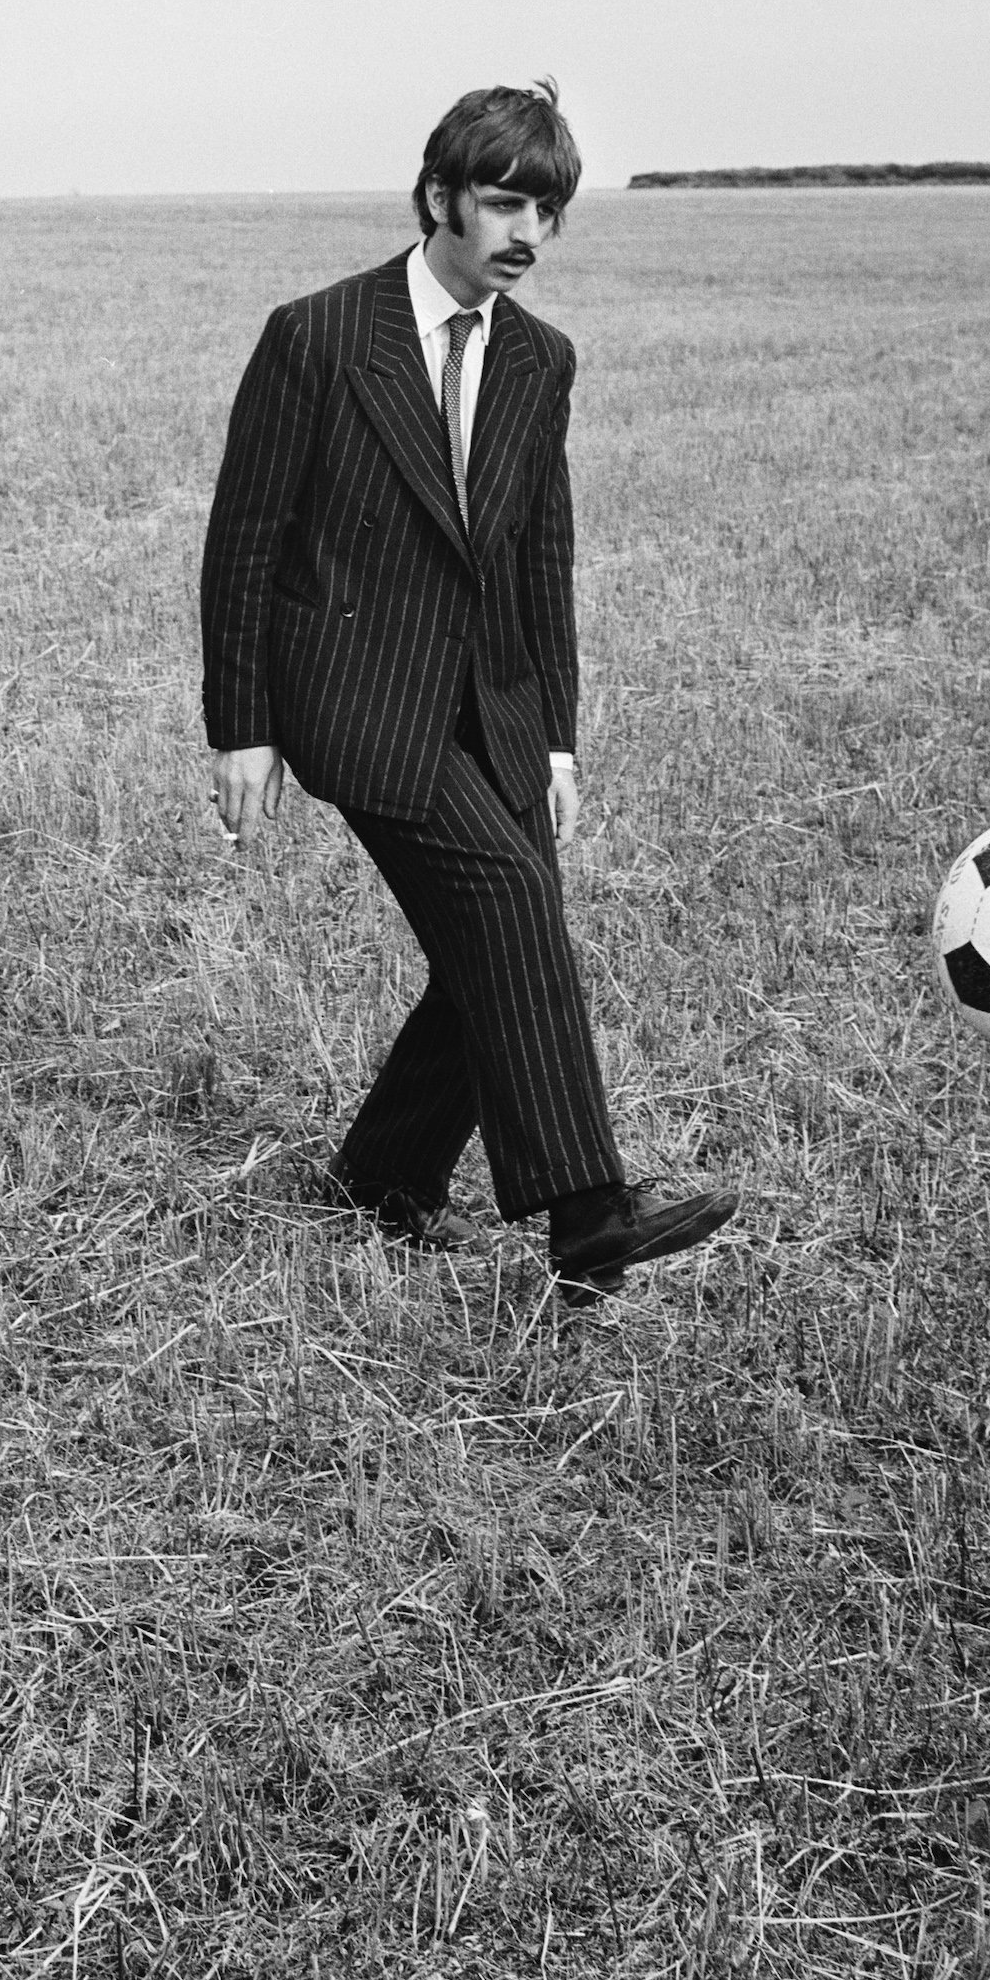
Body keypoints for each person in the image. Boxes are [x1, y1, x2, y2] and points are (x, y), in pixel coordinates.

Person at [199, 80, 735, 1304]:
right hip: (353, 693)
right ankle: (589, 1211)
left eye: (547, 211)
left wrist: (555, 739)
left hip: (490, 704)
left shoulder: (542, 359)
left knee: (491, 946)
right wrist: (244, 726)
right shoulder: (318, 335)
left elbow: (542, 555)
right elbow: (245, 541)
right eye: (503, 203)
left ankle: (383, 1177)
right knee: (507, 899)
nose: (527, 233)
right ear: (439, 195)